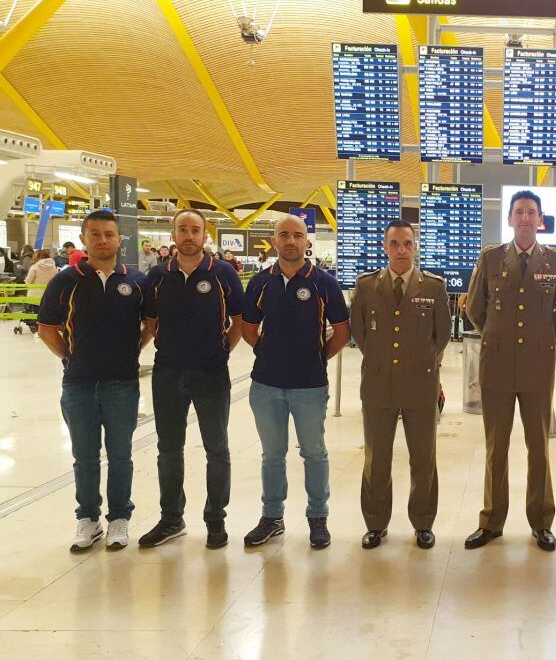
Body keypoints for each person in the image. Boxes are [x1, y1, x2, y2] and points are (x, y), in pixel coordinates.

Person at [463, 190, 556, 552]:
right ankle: (492, 521)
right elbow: (475, 308)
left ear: (539, 221)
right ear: (509, 219)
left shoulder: (555, 261)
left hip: (538, 367)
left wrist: (543, 340)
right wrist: (497, 337)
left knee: (538, 446)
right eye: (519, 212)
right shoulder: (491, 258)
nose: (525, 218)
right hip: (496, 364)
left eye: (531, 213)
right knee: (496, 447)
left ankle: (541, 522)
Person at [36, 210, 154, 551]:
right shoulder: (66, 280)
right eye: (95, 234)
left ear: (119, 239)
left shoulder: (136, 282)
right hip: (79, 386)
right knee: (84, 457)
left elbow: (150, 325)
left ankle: (119, 518)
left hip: (122, 384)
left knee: (121, 455)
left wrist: (133, 349)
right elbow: (46, 329)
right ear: (85, 239)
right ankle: (88, 518)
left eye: (109, 234)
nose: (103, 240)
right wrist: (69, 357)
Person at [241, 214, 350, 549]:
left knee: (314, 453)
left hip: (309, 386)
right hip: (266, 385)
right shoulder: (260, 283)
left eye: (297, 235)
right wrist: (269, 353)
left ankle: (318, 516)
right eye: (284, 235)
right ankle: (272, 517)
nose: (290, 241)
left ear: (307, 241)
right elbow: (248, 329)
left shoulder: (324, 283)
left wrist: (316, 358)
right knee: (272, 454)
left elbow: (343, 333)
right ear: (274, 241)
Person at [138, 209, 244, 550]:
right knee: (169, 449)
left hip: (211, 372)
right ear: (173, 233)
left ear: (204, 235)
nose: (188, 235)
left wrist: (223, 350)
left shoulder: (223, 273)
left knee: (217, 448)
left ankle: (216, 519)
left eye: (195, 230)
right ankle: (172, 519)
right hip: (168, 373)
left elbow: (239, 320)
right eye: (182, 229)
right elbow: (151, 322)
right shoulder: (156, 276)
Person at [351, 219, 450, 550]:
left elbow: (442, 335)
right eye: (394, 244)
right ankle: (376, 523)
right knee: (376, 457)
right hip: (378, 386)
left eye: (407, 243)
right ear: (385, 247)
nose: (401, 250)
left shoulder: (433, 287)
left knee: (423, 457)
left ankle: (423, 523)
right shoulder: (366, 287)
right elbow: (361, 334)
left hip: (420, 386)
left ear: (415, 246)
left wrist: (417, 363)